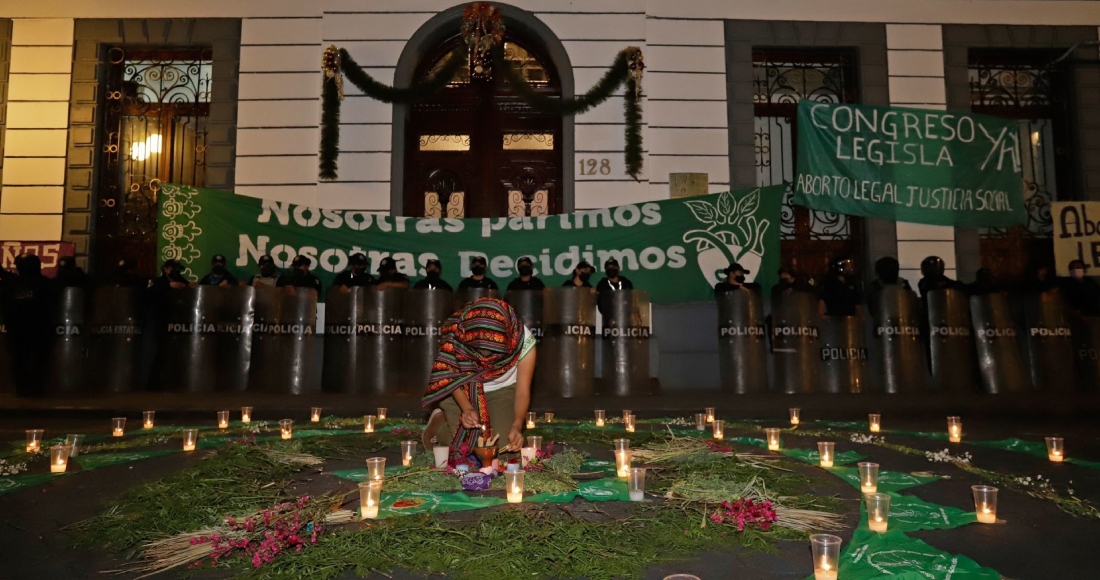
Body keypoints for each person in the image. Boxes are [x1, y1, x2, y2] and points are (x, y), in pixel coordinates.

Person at [420, 297, 536, 460]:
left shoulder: (523, 341)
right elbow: (451, 376)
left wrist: (517, 425)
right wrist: (466, 409)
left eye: (495, 354)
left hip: (502, 392)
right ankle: (439, 426)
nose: (486, 362)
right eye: (479, 354)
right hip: (461, 390)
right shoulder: (457, 334)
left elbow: (523, 392)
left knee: (503, 452)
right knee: (468, 452)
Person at [1, 254, 54, 397]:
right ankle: (34, 389)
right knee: (37, 361)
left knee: (20, 360)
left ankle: (24, 389)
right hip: (39, 330)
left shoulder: (11, 284)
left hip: (19, 330)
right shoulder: (46, 284)